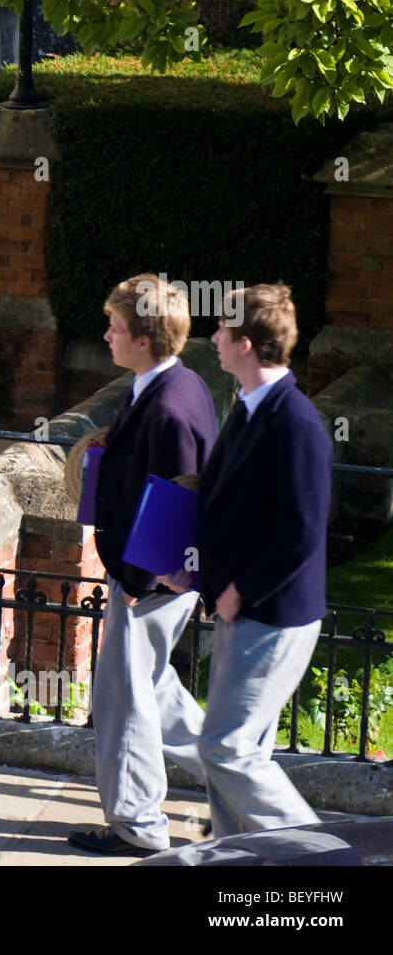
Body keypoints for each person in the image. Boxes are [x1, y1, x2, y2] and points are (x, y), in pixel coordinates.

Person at [67, 274, 220, 856]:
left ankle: (137, 827)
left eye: (116, 327)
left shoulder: (170, 409)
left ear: (145, 338)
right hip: (153, 576)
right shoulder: (174, 384)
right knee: (153, 689)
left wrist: (134, 583)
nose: (106, 334)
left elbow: (178, 500)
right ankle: (238, 774)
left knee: (124, 698)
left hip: (149, 579)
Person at [170, 284, 331, 837]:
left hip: (273, 613)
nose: (211, 338)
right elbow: (221, 501)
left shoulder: (297, 425)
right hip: (242, 607)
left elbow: (301, 533)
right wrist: (189, 568)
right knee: (237, 752)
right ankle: (242, 857)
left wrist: (242, 590)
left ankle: (317, 855)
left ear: (246, 343)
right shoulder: (246, 406)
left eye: (221, 331)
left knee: (226, 748)